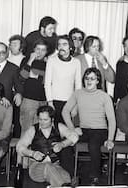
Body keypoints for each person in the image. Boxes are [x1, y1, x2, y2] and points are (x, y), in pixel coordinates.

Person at [62, 68, 116, 185]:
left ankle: (95, 178)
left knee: (93, 145)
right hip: (83, 130)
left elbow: (111, 120)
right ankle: (72, 176)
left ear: (98, 81)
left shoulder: (104, 96)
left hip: (100, 130)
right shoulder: (78, 93)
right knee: (65, 144)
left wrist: (110, 139)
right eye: (86, 78)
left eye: (92, 78)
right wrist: (72, 129)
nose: (89, 81)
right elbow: (65, 111)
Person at [44, 34, 81, 176]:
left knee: (68, 138)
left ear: (71, 47)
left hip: (69, 104)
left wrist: (75, 105)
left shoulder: (76, 62)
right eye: (59, 44)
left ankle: (68, 174)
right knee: (54, 137)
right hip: (54, 103)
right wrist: (50, 103)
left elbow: (78, 84)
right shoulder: (52, 61)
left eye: (64, 44)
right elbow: (47, 83)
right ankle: (54, 172)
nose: (61, 47)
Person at [16, 105, 79, 187]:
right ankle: (63, 185)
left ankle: (58, 185)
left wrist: (62, 144)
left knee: (66, 176)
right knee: (49, 167)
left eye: (45, 120)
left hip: (55, 166)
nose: (42, 122)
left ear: (52, 120)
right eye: (40, 119)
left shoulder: (58, 127)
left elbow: (74, 136)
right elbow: (19, 146)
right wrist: (32, 153)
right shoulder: (33, 130)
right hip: (36, 168)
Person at [18, 39, 48, 167]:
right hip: (29, 101)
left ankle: (33, 164)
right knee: (26, 132)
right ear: (33, 50)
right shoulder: (26, 61)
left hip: (43, 102)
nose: (40, 52)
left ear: (47, 52)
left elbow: (47, 81)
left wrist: (36, 75)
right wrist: (30, 61)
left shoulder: (49, 63)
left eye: (43, 49)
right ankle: (21, 164)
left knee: (38, 134)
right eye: (37, 49)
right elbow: (22, 76)